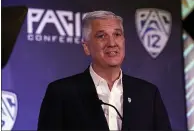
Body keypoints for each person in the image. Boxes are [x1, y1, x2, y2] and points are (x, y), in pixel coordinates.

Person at [37, 10, 171, 130]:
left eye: (117, 34)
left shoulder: (148, 94)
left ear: (124, 41)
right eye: (101, 36)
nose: (112, 43)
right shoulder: (61, 93)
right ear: (86, 47)